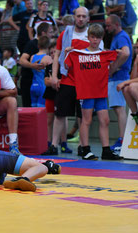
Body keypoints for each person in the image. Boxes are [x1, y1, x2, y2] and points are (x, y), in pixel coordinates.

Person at [65, 24, 122, 160]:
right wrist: (67, 52)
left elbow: (125, 54)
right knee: (86, 120)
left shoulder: (104, 54)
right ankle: (85, 149)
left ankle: (106, 150)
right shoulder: (78, 53)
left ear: (101, 38)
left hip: (100, 92)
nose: (95, 40)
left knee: (105, 120)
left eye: (98, 38)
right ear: (88, 37)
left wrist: (118, 52)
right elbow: (67, 65)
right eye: (93, 37)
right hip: (86, 92)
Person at [43, 7, 95, 156]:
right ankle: (53, 145)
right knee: (60, 114)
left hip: (84, 81)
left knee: (82, 116)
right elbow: (57, 55)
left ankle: (82, 145)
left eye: (83, 16)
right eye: (78, 16)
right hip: (67, 79)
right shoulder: (65, 33)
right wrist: (54, 76)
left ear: (88, 18)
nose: (80, 18)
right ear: (74, 17)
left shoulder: (93, 35)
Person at [105, 14, 133, 153]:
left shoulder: (121, 36)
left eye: (109, 25)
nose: (107, 27)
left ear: (116, 24)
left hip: (118, 77)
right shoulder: (118, 37)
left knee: (119, 109)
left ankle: (122, 140)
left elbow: (126, 53)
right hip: (117, 76)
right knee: (118, 108)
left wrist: (113, 68)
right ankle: (122, 139)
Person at [18, 23, 54, 107]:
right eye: (50, 32)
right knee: (36, 111)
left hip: (34, 84)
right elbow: (22, 60)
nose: (52, 34)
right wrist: (33, 66)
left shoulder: (35, 55)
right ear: (43, 33)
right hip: (32, 83)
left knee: (33, 110)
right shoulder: (32, 44)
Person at [30, 36, 52, 107]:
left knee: (34, 112)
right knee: (41, 113)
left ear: (38, 45)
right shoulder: (48, 58)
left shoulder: (32, 57)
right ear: (48, 46)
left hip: (33, 86)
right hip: (43, 87)